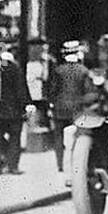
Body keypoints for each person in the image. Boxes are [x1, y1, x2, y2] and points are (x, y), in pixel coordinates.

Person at [45, 40, 93, 177]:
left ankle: (60, 164)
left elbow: (52, 90)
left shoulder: (58, 70)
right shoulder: (83, 71)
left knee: (59, 137)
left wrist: (51, 104)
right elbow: (88, 91)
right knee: (77, 137)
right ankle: (74, 163)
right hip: (77, 109)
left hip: (60, 108)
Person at [0, 43, 29, 175]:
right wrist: (26, 106)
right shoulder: (15, 68)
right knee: (15, 139)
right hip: (14, 111)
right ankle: (13, 166)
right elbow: (21, 89)